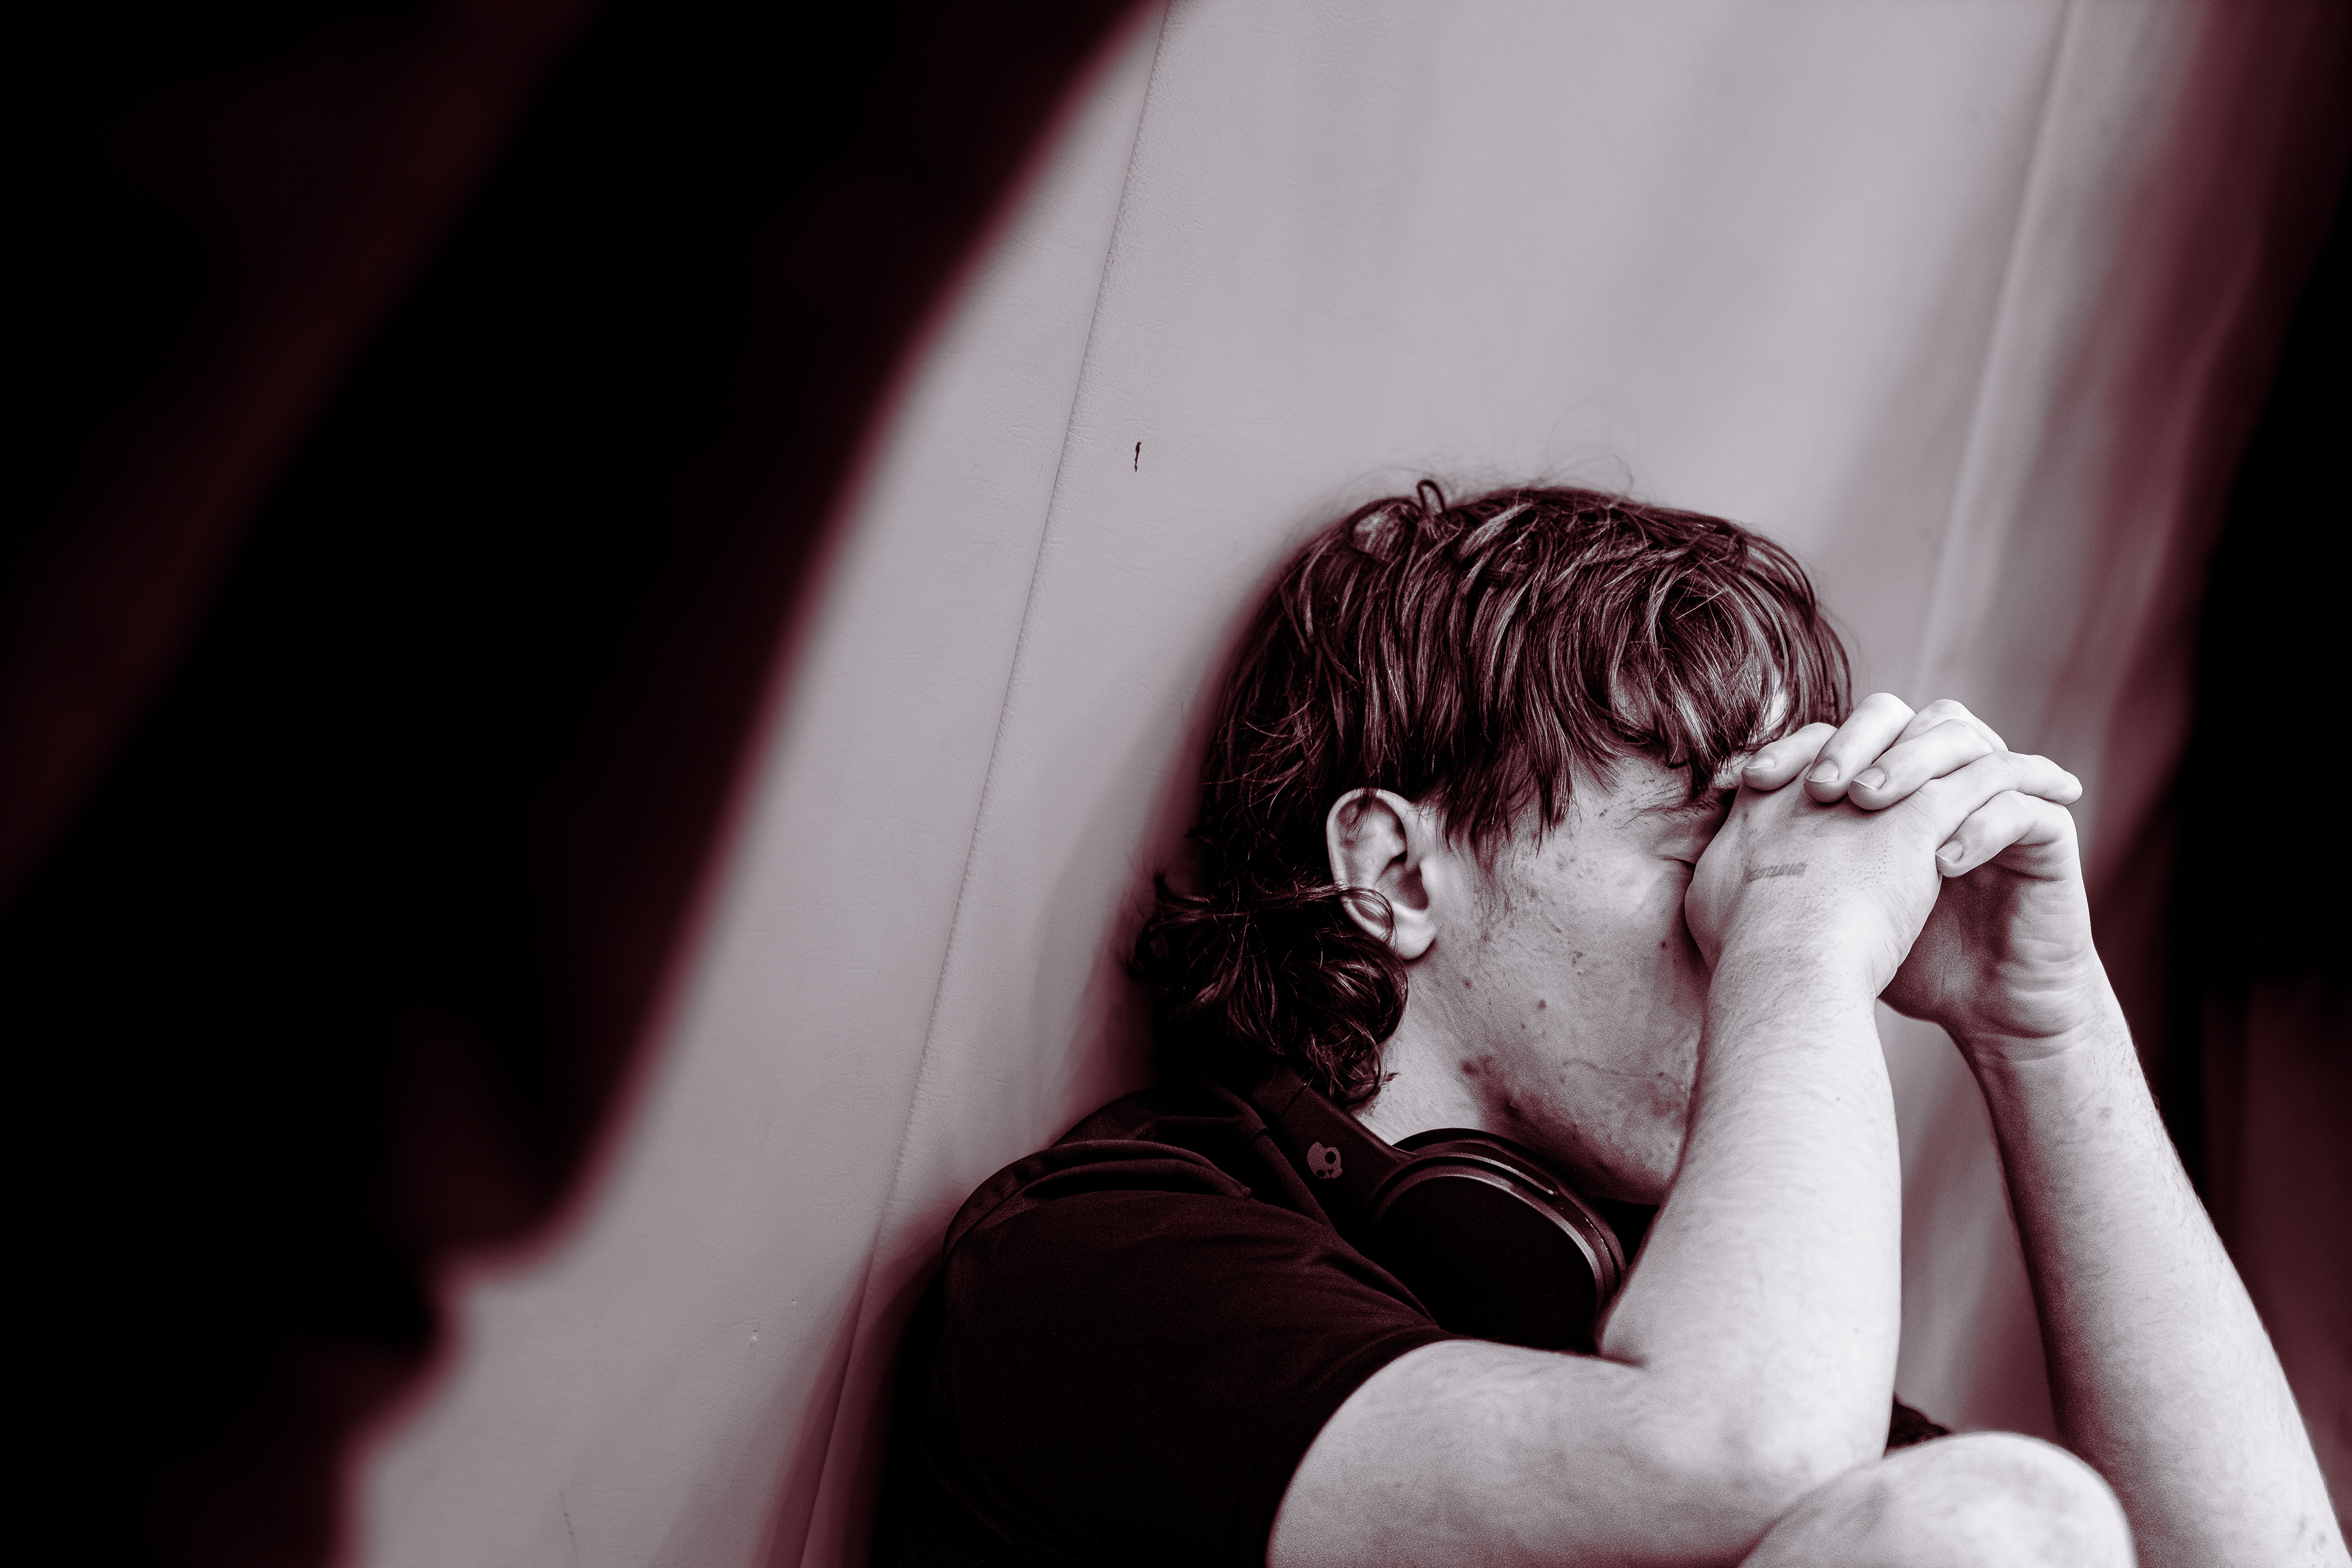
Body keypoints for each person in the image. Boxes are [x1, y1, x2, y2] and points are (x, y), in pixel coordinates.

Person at [873, 483, 2344, 1566]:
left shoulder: (1639, 1299)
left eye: (1766, 862)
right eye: (1706, 841)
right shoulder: (1109, 1264)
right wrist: (1805, 936)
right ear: (1397, 872)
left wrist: (2045, 1026)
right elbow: (1736, 1454)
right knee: (1986, 1529)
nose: (1739, 910)